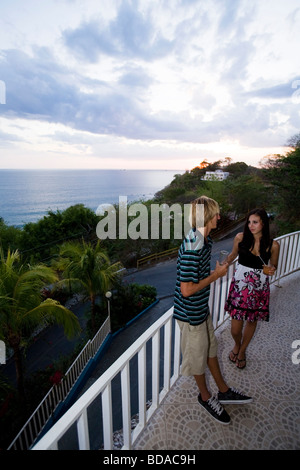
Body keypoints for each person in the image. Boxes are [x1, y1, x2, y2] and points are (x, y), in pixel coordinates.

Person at [173, 195, 252, 425]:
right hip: (190, 314)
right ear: (206, 216)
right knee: (198, 358)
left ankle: (223, 390)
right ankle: (205, 397)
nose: (220, 216)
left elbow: (198, 279)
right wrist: (216, 276)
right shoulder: (192, 245)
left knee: (211, 350)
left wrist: (222, 265)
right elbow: (186, 290)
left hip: (200, 309)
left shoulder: (205, 240)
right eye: (216, 213)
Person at [225, 208, 280, 369]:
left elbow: (273, 266)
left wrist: (271, 269)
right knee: (235, 329)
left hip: (258, 289)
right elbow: (232, 255)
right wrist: (221, 267)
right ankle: (237, 343)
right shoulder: (240, 238)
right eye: (249, 222)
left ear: (263, 223)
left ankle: (241, 351)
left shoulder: (273, 245)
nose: (251, 225)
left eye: (255, 222)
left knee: (251, 321)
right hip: (239, 289)